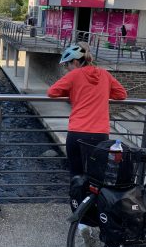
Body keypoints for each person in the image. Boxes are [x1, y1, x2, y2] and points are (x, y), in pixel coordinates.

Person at [47, 42, 128, 177]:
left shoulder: (74, 75)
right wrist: (102, 93)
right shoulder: (105, 74)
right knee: (96, 176)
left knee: (76, 174)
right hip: (100, 135)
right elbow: (122, 94)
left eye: (67, 64)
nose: (66, 68)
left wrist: (73, 93)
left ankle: (76, 199)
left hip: (77, 132)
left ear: (76, 62)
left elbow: (52, 92)